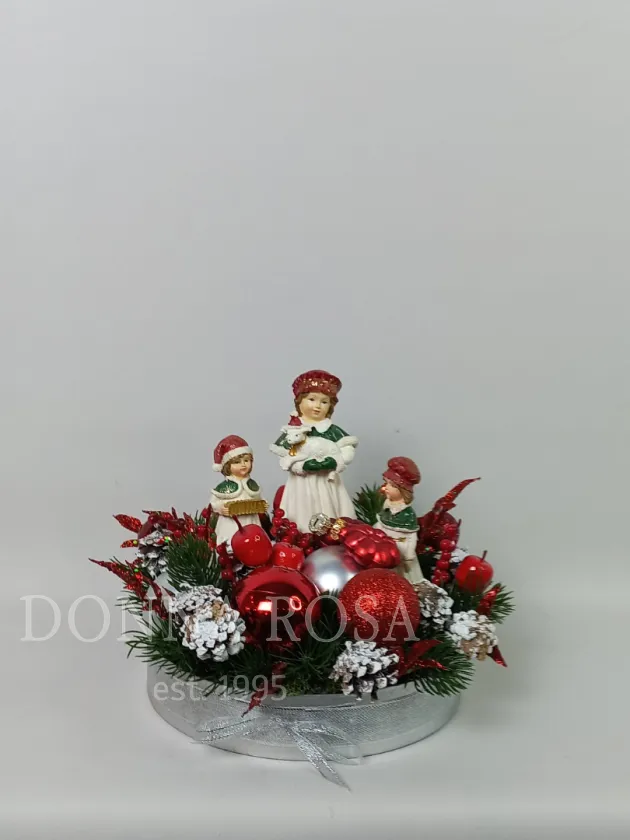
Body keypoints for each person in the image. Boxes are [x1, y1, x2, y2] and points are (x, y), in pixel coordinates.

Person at [270, 369, 358, 533]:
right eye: (312, 399)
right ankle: (300, 535)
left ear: (330, 406)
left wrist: (335, 462)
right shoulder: (294, 430)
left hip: (327, 481)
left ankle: (330, 534)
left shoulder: (331, 430)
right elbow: (285, 455)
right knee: (300, 510)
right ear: (299, 401)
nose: (317, 406)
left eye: (324, 402)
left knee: (329, 506)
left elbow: (347, 448)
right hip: (301, 483)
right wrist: (301, 466)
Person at [210, 435, 266, 547]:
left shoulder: (252, 484)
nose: (243, 464)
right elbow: (214, 502)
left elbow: (258, 497)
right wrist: (221, 508)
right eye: (237, 462)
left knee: (254, 541)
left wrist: (261, 504)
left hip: (251, 520)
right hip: (231, 523)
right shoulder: (224, 487)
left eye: (246, 460)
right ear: (227, 465)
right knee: (230, 541)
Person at [377, 456, 424, 584]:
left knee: (403, 579)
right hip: (384, 552)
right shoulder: (387, 506)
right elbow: (380, 525)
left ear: (403, 490)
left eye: (391, 485)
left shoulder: (407, 514)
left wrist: (408, 556)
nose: (386, 487)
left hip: (400, 554)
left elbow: (411, 537)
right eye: (386, 482)